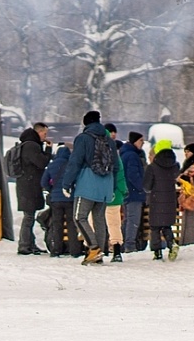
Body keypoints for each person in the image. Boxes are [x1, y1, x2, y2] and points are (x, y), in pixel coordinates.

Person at [60, 110, 117, 265]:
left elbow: (75, 162)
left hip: (88, 183)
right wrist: (113, 187)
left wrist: (67, 183)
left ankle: (94, 249)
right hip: (106, 184)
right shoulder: (109, 140)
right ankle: (98, 254)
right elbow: (116, 165)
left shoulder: (83, 138)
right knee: (99, 219)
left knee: (79, 216)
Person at [14, 125, 50, 254]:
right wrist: (48, 150)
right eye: (44, 133)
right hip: (29, 186)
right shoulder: (31, 146)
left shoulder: (25, 144)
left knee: (29, 216)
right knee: (29, 217)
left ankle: (30, 244)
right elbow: (42, 162)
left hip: (25, 184)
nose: (45, 136)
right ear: (38, 132)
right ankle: (24, 245)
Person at [42, 138, 81, 258]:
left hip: (56, 200)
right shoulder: (71, 165)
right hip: (69, 198)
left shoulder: (52, 165)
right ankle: (75, 250)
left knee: (57, 224)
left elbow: (43, 182)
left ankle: (56, 250)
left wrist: (51, 190)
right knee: (71, 224)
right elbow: (77, 180)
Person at [143, 138, 179, 258]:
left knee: (155, 227)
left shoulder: (152, 167)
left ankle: (157, 252)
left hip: (156, 200)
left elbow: (146, 186)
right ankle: (171, 243)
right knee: (166, 225)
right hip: (170, 200)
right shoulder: (175, 166)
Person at [104, 127, 128, 262]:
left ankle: (95, 250)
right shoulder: (115, 156)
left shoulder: (94, 154)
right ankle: (117, 251)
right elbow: (120, 175)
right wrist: (122, 190)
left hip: (97, 195)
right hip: (114, 195)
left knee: (94, 222)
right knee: (114, 223)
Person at [121, 131, 148, 251]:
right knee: (133, 220)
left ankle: (122, 244)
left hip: (127, 192)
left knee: (128, 219)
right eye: (141, 140)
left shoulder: (125, 154)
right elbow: (133, 175)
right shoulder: (132, 155)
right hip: (134, 193)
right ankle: (130, 245)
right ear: (135, 141)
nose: (143, 143)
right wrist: (142, 187)